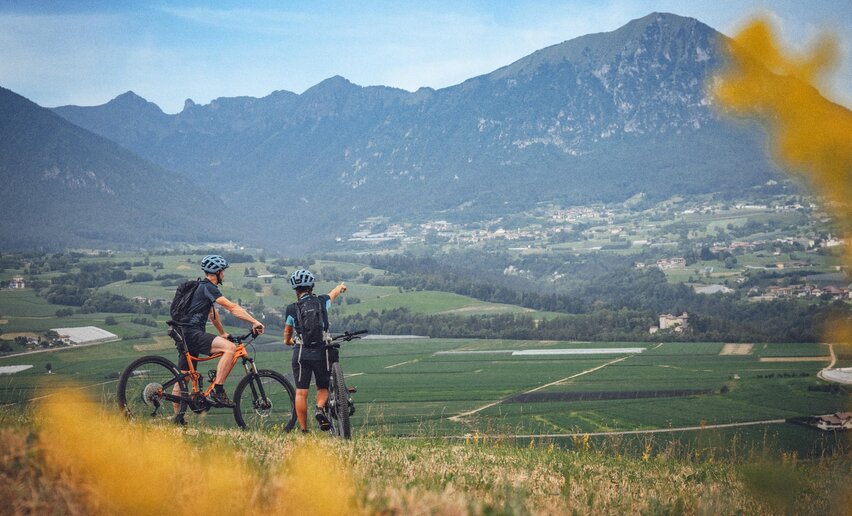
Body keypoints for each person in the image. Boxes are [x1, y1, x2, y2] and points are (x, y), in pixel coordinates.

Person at [175, 254, 264, 409]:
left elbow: (212, 315)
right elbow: (232, 308)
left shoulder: (199, 287)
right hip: (193, 333)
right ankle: (218, 390)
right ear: (217, 272)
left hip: (183, 334)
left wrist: (222, 333)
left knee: (185, 378)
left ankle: (177, 419)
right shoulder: (209, 287)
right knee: (230, 348)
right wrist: (255, 322)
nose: (223, 274)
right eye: (223, 271)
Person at [283, 269, 347, 432]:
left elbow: (287, 332)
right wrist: (340, 287)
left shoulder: (292, 308)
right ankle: (319, 408)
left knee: (301, 393)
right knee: (322, 387)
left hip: (301, 352)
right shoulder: (321, 301)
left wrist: (288, 341)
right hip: (322, 351)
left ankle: (304, 430)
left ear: (296, 290)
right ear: (311, 286)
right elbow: (332, 294)